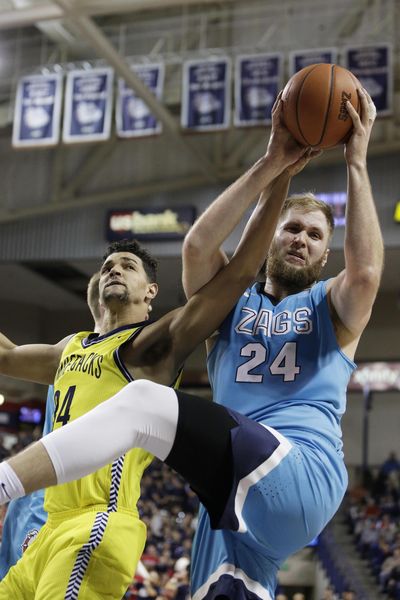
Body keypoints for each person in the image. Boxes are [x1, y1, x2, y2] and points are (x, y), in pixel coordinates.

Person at [0, 89, 382, 600]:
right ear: (269, 236)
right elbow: (199, 246)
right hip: (230, 503)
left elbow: (366, 274)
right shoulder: (227, 306)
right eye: (291, 227)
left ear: (325, 252)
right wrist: (272, 164)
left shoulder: (331, 305)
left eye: (315, 235)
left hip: (299, 471)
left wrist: (356, 162)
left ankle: (4, 480)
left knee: (142, 403)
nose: (301, 239)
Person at [0, 272, 102, 579]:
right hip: (36, 496)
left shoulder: (142, 351)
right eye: (109, 265)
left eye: (127, 265)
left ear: (151, 293)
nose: (113, 270)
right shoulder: (71, 347)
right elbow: (6, 356)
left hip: (85, 502)